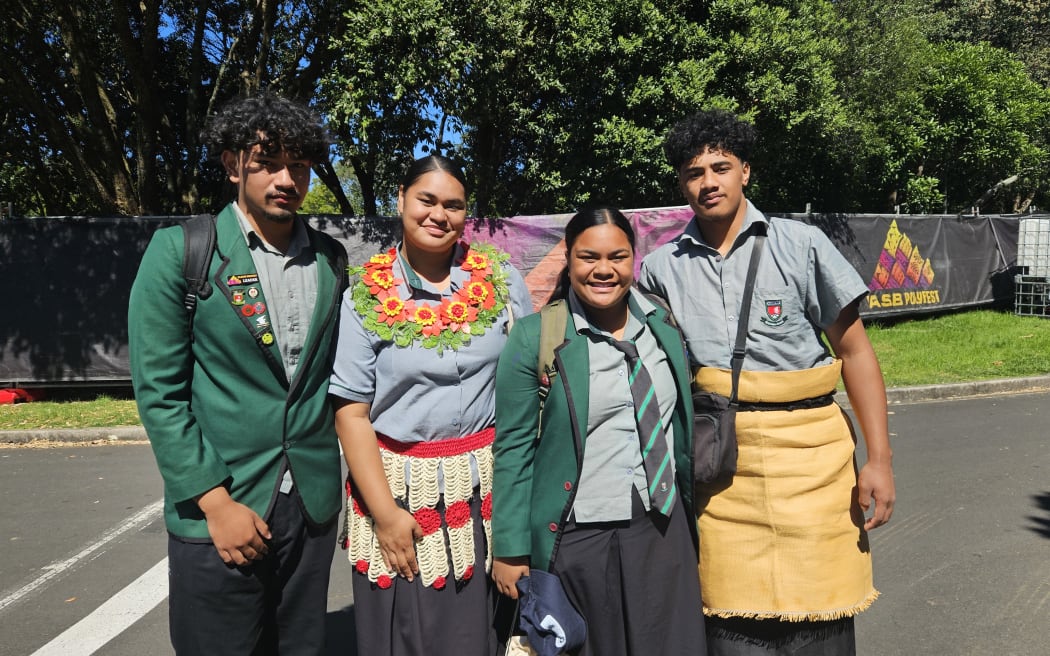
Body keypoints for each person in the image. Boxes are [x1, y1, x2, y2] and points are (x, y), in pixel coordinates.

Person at [639, 109, 897, 655]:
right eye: (694, 172)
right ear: (681, 184)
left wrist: (879, 460)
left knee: (821, 625)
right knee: (734, 630)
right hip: (721, 470)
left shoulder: (801, 246)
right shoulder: (661, 267)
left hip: (814, 463)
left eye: (721, 166)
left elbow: (855, 352)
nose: (709, 181)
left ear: (745, 172)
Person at [128, 93, 348, 654]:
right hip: (224, 508)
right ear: (232, 165)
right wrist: (214, 503)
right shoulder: (183, 251)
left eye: (298, 165)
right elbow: (160, 393)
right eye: (268, 161)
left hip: (312, 507)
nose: (285, 178)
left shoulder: (331, 259)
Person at [330, 154, 533, 655]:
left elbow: (532, 385)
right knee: (411, 633)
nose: (439, 215)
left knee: (492, 630)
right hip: (402, 496)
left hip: (488, 495)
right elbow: (351, 411)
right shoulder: (365, 296)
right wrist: (385, 513)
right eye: (427, 200)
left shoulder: (502, 280)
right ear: (400, 198)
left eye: (454, 205)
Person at [491, 206, 706, 655]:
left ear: (634, 259)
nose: (604, 270)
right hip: (580, 537)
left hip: (662, 528)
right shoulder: (535, 338)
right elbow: (512, 449)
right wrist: (511, 548)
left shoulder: (663, 325)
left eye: (618, 257)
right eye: (588, 257)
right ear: (568, 260)